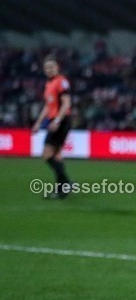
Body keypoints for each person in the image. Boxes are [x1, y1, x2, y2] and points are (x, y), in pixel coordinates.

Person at [31, 57, 73, 199]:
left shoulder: (61, 82)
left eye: (52, 67)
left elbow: (66, 103)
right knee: (56, 155)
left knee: (47, 154)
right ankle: (62, 188)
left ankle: (65, 184)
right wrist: (38, 122)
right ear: (44, 70)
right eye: (47, 68)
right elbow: (47, 106)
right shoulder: (49, 84)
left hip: (61, 121)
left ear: (57, 68)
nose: (50, 70)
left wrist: (57, 120)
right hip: (55, 120)